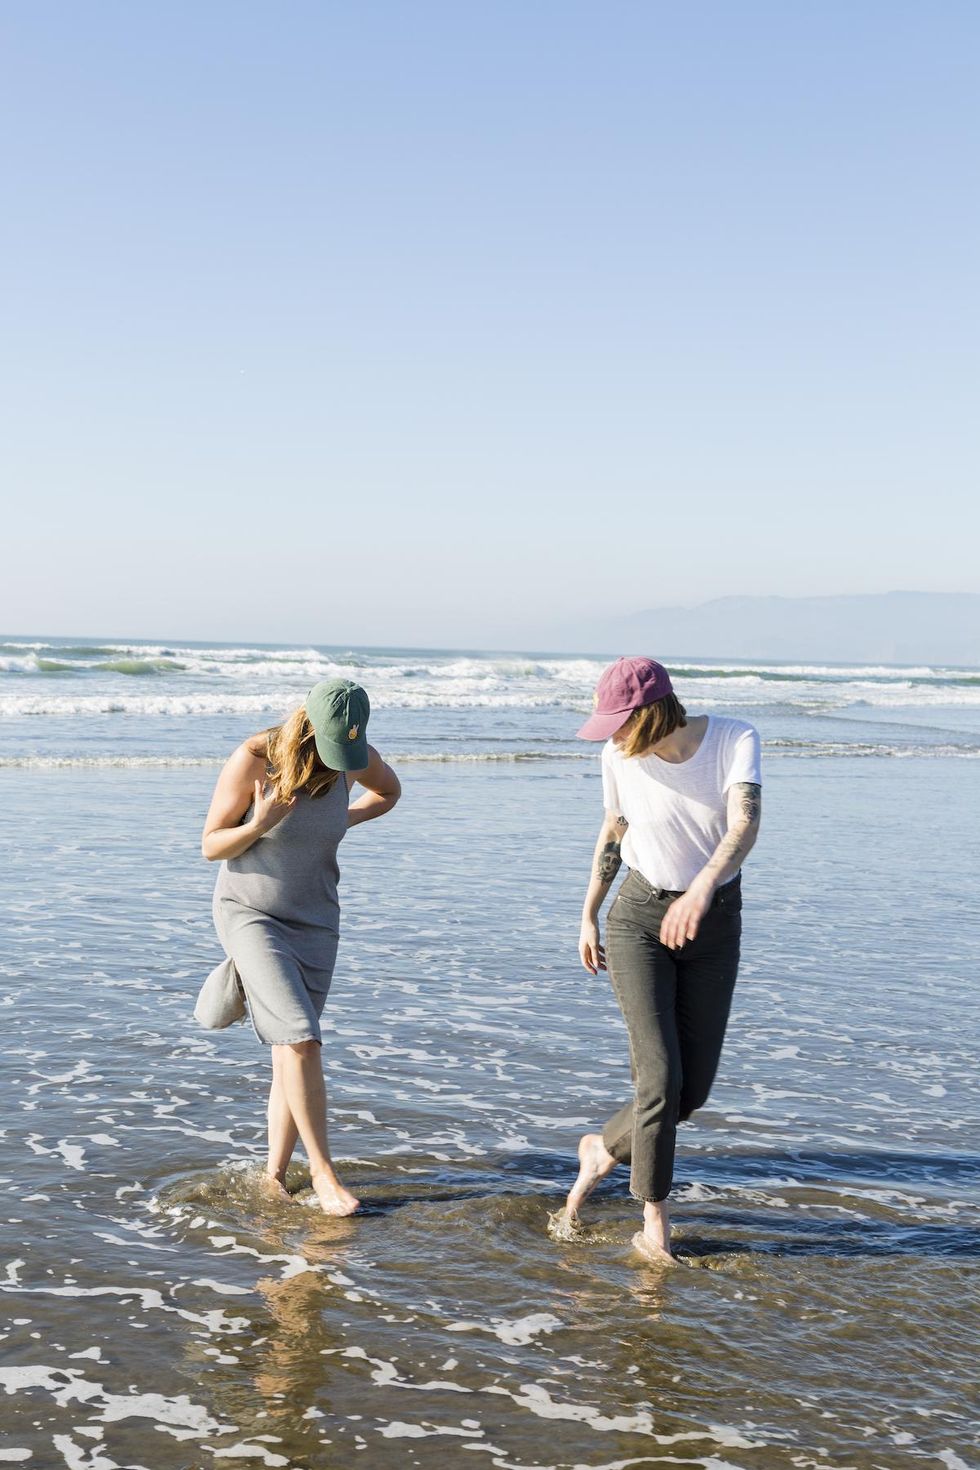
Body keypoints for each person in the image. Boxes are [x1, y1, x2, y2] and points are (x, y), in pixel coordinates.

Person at [563, 656, 761, 1262]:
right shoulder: (617, 757)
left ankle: (601, 1149)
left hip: (713, 920)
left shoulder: (733, 739)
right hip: (640, 920)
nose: (614, 736)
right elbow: (614, 830)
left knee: (690, 1093)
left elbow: (746, 823)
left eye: (621, 723)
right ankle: (654, 1223)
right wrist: (588, 912)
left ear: (652, 712)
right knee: (659, 1078)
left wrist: (701, 891)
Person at [201, 677, 400, 1215]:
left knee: (290, 1051)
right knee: (302, 1039)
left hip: (316, 920)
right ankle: (322, 1174)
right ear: (307, 724)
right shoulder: (254, 758)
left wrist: (346, 816)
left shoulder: (353, 756)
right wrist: (260, 824)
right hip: (250, 914)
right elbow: (211, 844)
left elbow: (389, 792)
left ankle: (272, 1176)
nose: (343, 761)